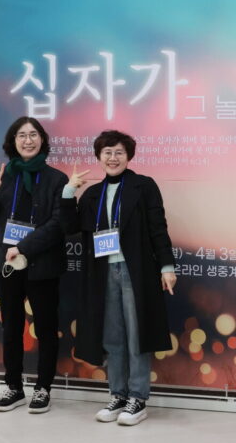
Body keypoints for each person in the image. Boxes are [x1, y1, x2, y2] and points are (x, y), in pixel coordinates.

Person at [62, 130, 177, 426]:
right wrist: (68, 192)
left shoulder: (143, 186)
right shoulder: (92, 194)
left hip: (135, 271)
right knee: (111, 337)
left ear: (128, 156)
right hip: (102, 274)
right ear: (99, 157)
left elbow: (158, 227)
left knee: (137, 335)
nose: (113, 158)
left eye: (119, 153)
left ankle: (137, 397)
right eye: (107, 153)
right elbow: (70, 227)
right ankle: (118, 394)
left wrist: (167, 266)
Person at [0, 117, 67, 413]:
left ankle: (43, 389)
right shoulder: (4, 177)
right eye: (21, 135)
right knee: (11, 327)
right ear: (13, 141)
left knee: (46, 327)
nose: (27, 140)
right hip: (8, 265)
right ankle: (14, 387)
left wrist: (24, 247)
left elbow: (58, 224)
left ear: (42, 139)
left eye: (33, 135)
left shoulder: (56, 179)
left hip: (42, 264)